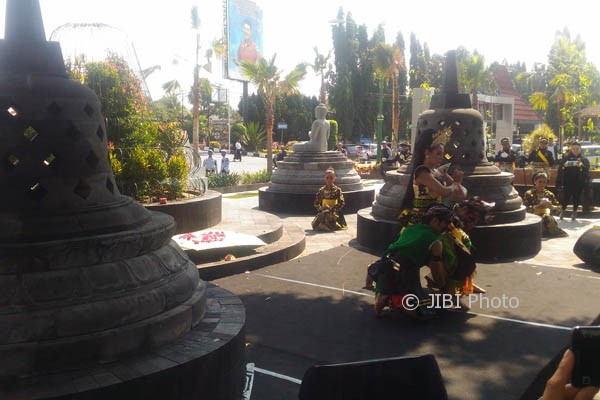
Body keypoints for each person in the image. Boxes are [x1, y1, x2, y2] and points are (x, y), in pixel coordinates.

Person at [372, 205, 453, 318]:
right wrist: (441, 284)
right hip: (405, 271)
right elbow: (436, 269)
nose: (448, 227)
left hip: (386, 263)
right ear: (435, 220)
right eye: (446, 222)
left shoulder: (409, 229)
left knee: (381, 302)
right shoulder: (436, 241)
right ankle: (394, 300)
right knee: (418, 312)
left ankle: (387, 297)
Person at [398, 128, 466, 226]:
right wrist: (455, 183)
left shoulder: (438, 172)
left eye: (443, 154)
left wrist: (457, 183)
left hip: (437, 221)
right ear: (427, 153)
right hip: (423, 222)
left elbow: (461, 194)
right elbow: (444, 191)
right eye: (438, 153)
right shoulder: (422, 172)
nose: (441, 157)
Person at [523, 171, 567, 238]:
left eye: (544, 182)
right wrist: (537, 206)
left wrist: (552, 207)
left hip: (547, 216)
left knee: (546, 217)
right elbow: (524, 208)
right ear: (535, 182)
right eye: (540, 182)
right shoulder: (529, 194)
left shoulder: (549, 194)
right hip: (533, 216)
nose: (542, 184)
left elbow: (559, 208)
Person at [557, 141, 590, 221]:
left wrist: (581, 165)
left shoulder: (584, 159)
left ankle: (574, 212)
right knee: (566, 197)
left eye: (577, 149)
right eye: (574, 149)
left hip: (579, 182)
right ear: (571, 149)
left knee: (576, 197)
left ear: (580, 150)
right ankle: (563, 210)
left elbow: (587, 170)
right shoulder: (566, 158)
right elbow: (560, 169)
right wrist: (564, 166)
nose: (575, 150)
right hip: (568, 181)